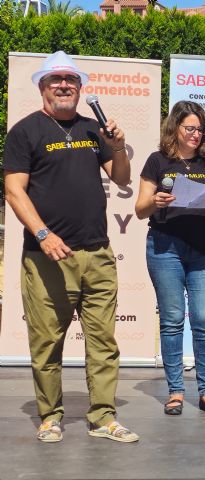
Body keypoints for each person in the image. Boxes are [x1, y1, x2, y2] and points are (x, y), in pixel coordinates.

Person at [3, 51, 138, 442]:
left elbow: (122, 178)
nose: (64, 85)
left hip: (97, 254)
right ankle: (50, 416)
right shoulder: (24, 132)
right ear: (42, 87)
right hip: (46, 258)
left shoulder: (93, 129)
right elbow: (14, 191)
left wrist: (117, 146)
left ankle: (103, 418)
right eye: (56, 79)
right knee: (47, 342)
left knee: (103, 343)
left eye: (71, 80)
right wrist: (43, 234)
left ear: (80, 88)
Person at [135, 100, 205, 417]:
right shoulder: (157, 161)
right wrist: (155, 201)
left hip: (203, 248)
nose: (196, 134)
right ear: (175, 128)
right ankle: (176, 392)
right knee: (172, 320)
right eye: (190, 128)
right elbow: (140, 210)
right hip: (165, 246)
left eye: (201, 129)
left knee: (204, 320)